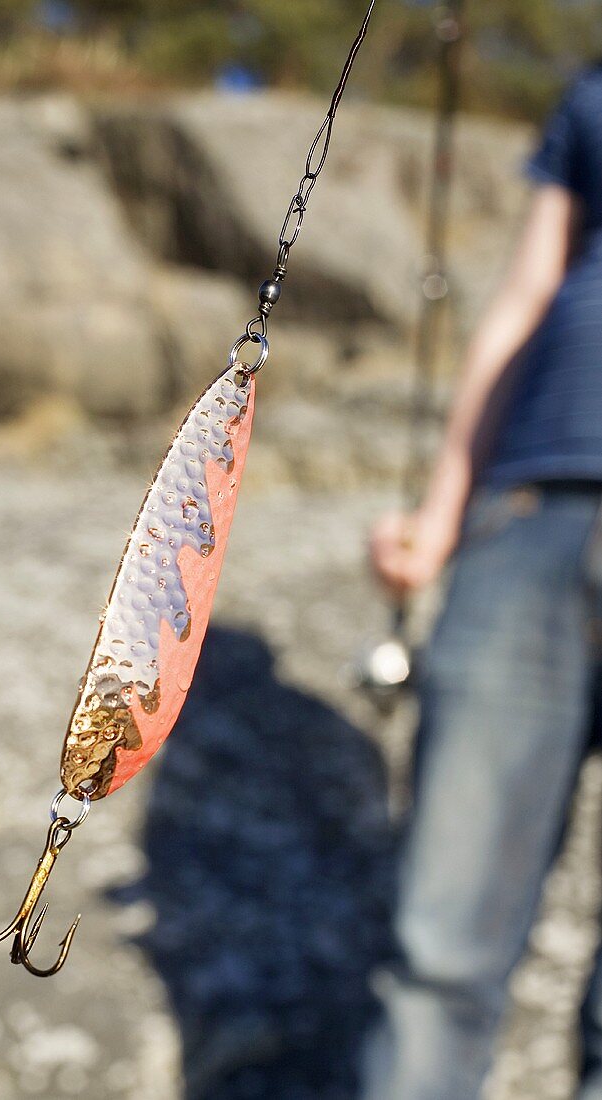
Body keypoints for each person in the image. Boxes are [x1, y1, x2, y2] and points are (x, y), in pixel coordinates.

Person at [363, 64, 602, 1099]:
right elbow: (524, 292)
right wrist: (443, 504)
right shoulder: (591, 89)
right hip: (528, 510)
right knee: (437, 947)